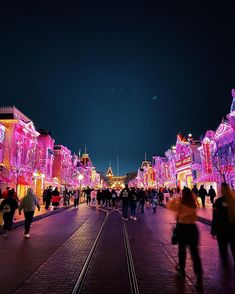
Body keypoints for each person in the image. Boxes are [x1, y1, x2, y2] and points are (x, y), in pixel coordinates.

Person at [167, 187, 203, 286]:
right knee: (195, 253)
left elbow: (169, 206)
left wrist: (174, 199)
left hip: (183, 228)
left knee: (182, 250)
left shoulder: (181, 203)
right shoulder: (193, 202)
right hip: (193, 228)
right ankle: (199, 273)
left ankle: (181, 269)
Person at [211, 183, 235, 271]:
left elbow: (216, 217)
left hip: (222, 230)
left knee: (223, 249)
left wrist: (213, 231)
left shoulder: (219, 201)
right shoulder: (233, 200)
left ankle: (225, 267)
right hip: (232, 229)